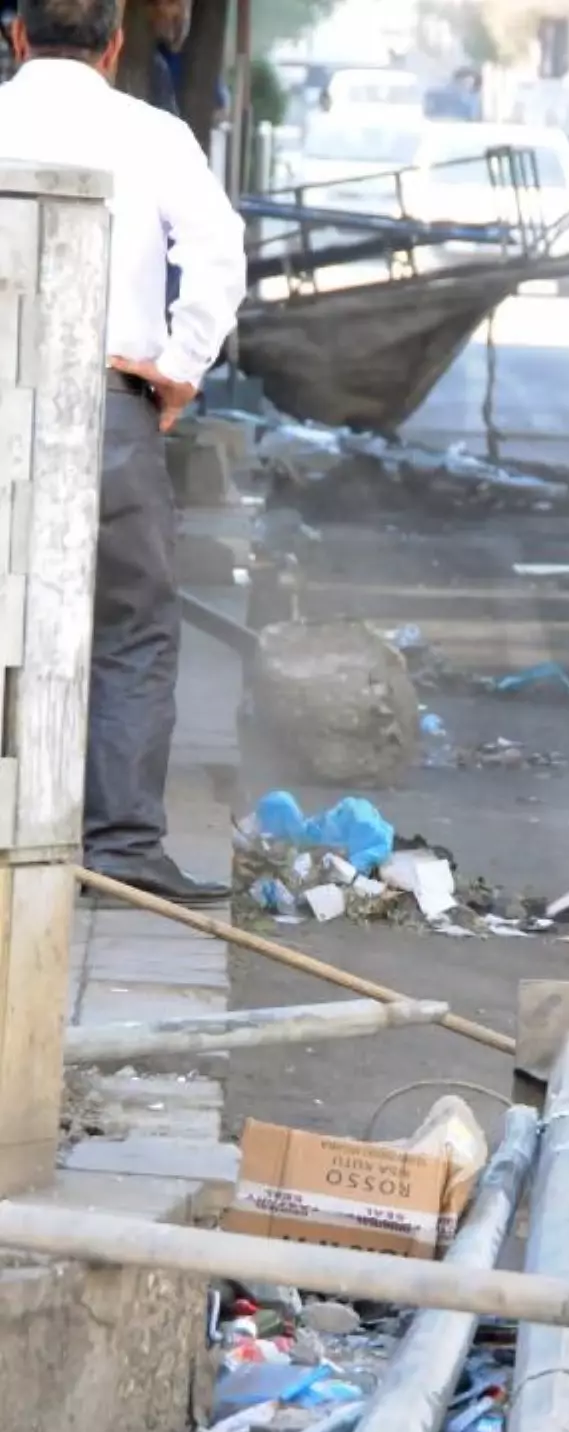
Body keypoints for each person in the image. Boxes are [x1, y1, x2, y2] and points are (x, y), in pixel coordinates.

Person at [0, 0, 246, 903]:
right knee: (132, 626)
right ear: (111, 47)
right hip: (108, 409)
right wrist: (178, 367)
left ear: (16, 37)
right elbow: (219, 248)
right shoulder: (151, 133)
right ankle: (119, 847)